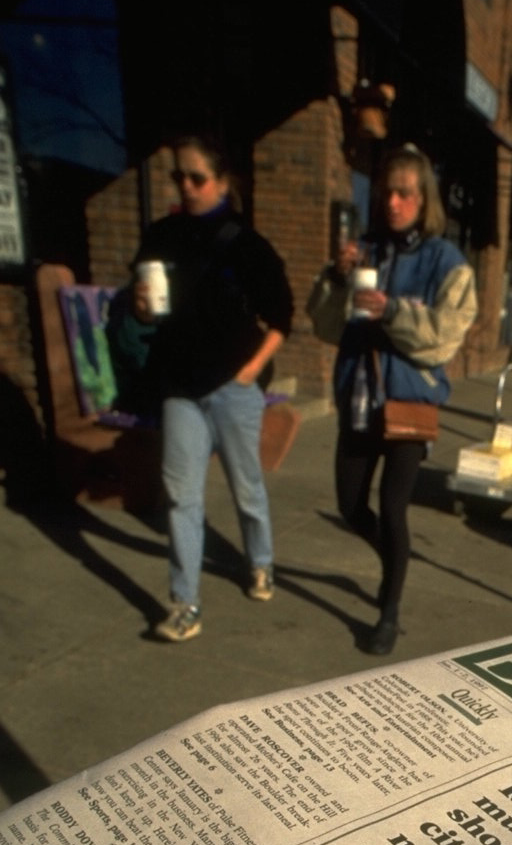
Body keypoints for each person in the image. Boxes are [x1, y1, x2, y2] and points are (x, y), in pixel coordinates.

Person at [308, 144, 477, 656]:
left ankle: (390, 609)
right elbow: (325, 326)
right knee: (350, 504)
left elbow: (445, 336)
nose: (394, 203)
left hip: (408, 403)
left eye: (405, 194)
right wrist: (336, 280)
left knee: (393, 507)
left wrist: (392, 313)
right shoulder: (364, 251)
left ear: (424, 199)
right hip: (359, 398)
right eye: (388, 193)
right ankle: (394, 564)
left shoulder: (446, 261)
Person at [131, 133, 293, 643]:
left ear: (223, 182)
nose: (187, 185)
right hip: (180, 386)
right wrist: (138, 306)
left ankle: (261, 562)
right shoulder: (160, 235)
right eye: (179, 176)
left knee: (247, 488)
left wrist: (250, 371)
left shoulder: (247, 244)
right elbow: (143, 307)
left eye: (197, 177)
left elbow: (282, 316)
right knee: (182, 497)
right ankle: (185, 604)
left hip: (231, 387)